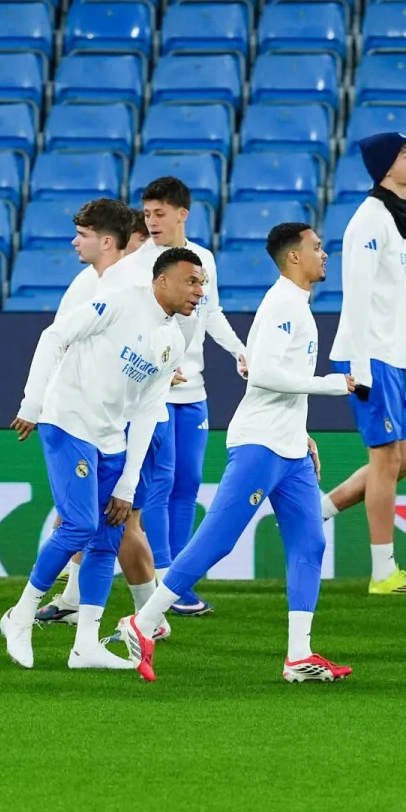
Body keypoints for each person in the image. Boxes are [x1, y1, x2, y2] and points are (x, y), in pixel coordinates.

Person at [118, 223, 354, 682]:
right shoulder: (282, 305)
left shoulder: (299, 307)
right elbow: (262, 373)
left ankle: (298, 657)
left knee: (311, 542)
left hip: (289, 447)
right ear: (293, 258)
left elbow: (283, 382)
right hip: (260, 444)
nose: (324, 255)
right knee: (218, 539)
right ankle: (142, 623)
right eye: (317, 248)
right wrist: (330, 384)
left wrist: (302, 431)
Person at [2, 248, 201, 670]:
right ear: (161, 280)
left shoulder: (173, 339)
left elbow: (149, 410)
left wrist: (129, 483)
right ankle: (19, 617)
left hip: (112, 437)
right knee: (78, 524)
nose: (199, 292)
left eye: (202, 284)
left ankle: (85, 645)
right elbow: (53, 336)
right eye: (191, 282)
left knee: (108, 535)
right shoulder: (119, 300)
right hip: (67, 419)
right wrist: (31, 404)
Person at [35, 203, 166, 636]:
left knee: (117, 518)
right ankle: (80, 602)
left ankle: (149, 614)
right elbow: (61, 339)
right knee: (87, 516)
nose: (149, 244)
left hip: (123, 415)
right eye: (144, 233)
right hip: (91, 413)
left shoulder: (131, 281)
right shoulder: (99, 282)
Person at [320, 133, 406, 595]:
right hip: (369, 356)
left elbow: (393, 302)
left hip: (388, 353)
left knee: (401, 460)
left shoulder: (394, 219)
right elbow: (360, 301)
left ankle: (315, 514)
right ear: (386, 167)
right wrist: (365, 371)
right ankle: (383, 572)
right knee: (386, 459)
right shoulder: (368, 221)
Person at [129, 177, 247, 615]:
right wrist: (157, 362)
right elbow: (134, 321)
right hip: (153, 392)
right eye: (147, 214)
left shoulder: (204, 259)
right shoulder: (138, 262)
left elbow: (210, 312)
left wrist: (238, 350)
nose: (152, 222)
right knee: (158, 485)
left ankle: (178, 580)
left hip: (193, 392)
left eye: (160, 213)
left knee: (187, 484)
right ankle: (161, 578)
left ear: (183, 213)